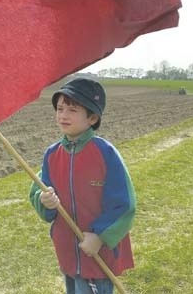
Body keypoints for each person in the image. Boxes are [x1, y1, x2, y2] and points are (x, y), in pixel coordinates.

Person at [29, 77, 136, 294]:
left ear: (92, 117)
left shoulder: (106, 154)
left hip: (98, 253)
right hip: (68, 249)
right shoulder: (52, 154)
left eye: (72, 109)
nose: (63, 115)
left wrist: (99, 236)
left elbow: (124, 204)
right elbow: (39, 189)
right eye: (59, 108)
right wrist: (44, 199)